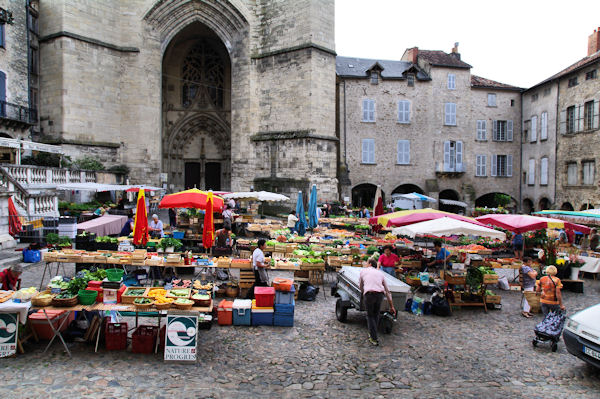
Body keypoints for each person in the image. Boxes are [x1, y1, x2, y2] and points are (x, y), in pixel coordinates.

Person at [359, 259, 396, 346]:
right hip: (380, 295)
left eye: (367, 263)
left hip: (369, 295)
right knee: (376, 314)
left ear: (370, 264)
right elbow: (387, 291)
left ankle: (373, 337)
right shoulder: (380, 273)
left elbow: (360, 286)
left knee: (370, 315)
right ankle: (373, 332)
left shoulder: (363, 271)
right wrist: (391, 306)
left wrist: (364, 293)